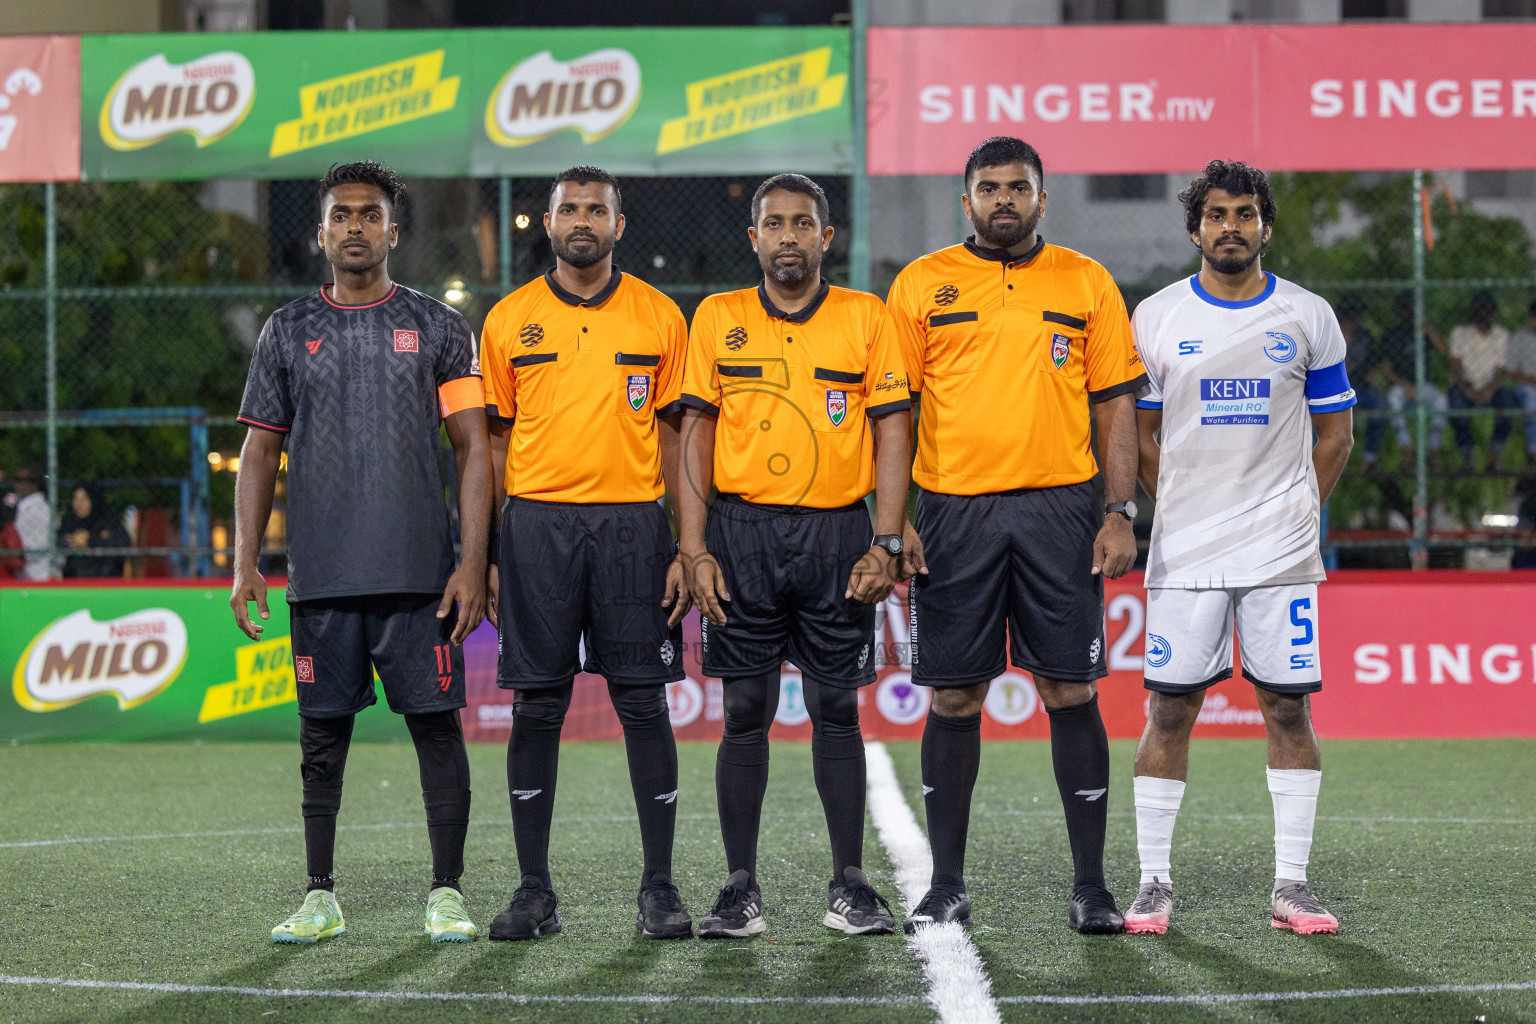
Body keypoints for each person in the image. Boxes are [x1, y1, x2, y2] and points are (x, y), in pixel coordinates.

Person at [886, 136, 1145, 935]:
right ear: (966, 200)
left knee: (1070, 689)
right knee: (956, 694)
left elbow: (1115, 406)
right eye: (990, 187)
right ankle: (947, 883)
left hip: (1061, 512)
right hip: (954, 513)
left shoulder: (1086, 280)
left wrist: (1119, 510)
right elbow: (895, 411)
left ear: (1042, 198)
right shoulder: (921, 284)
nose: (1004, 199)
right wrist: (892, 523)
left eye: (1019, 187)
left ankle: (1092, 887)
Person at [230, 161, 492, 945]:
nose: (354, 227)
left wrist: (472, 563)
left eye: (369, 215)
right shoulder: (285, 331)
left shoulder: (441, 329)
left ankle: (446, 894)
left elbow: (474, 449)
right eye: (340, 215)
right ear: (320, 232)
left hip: (420, 581)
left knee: (438, 733)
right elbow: (258, 453)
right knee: (322, 742)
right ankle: (319, 896)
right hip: (321, 579)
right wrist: (247, 561)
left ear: (392, 231)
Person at [1124, 160, 1355, 937]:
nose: (1232, 227)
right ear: (1195, 229)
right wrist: (1183, 507)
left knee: (1288, 707)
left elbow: (1336, 432)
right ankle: (1153, 882)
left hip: (1280, 552)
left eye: (1246, 214)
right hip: (1186, 549)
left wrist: (1292, 511)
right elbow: (1141, 436)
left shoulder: (1307, 314)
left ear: (1265, 225)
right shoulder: (1154, 316)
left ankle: (1292, 886)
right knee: (1169, 706)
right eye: (1217, 214)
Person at [679, 173, 911, 939]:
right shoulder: (716, 318)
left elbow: (891, 431)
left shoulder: (865, 318)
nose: (787, 236)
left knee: (834, 709)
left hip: (836, 537)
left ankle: (849, 884)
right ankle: (739, 887)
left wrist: (885, 537)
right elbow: (695, 438)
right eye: (773, 224)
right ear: (754, 238)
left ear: (825, 237)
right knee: (743, 711)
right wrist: (694, 544)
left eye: (802, 224)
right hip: (740, 535)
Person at [478, 165, 695, 942]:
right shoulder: (508, 319)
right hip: (537, 528)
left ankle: (659, 889)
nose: (581, 219)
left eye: (595, 209)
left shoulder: (661, 316)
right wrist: (495, 555)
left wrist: (682, 544)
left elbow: (676, 438)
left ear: (619, 224)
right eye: (568, 208)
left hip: (635, 528)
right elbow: (492, 443)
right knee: (538, 706)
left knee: (643, 702)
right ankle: (534, 891)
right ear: (546, 222)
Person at [1373, 292, 1449, 468]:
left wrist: (1426, 327)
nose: (1408, 313)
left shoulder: (1423, 332)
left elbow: (1444, 350)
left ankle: (1432, 452)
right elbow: (1385, 368)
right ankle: (1406, 448)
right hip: (1401, 386)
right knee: (1392, 398)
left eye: (1411, 309)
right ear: (1397, 312)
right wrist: (1405, 386)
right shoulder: (1391, 335)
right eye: (1404, 309)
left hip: (1424, 385)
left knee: (1441, 401)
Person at [1447, 289, 1518, 472]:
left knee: (1508, 406)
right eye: (1479, 309)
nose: (1483, 313)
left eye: (1487, 309)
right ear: (1472, 311)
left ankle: (1493, 459)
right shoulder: (1460, 332)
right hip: (1466, 384)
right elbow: (1454, 365)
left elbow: (1502, 370)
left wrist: (1490, 390)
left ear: (1493, 311)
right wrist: (1466, 388)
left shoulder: (1501, 334)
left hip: (1491, 385)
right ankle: (1467, 459)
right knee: (1456, 407)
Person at [58, 485, 129, 578]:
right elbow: (58, 540)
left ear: (93, 500)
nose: (79, 504)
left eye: (84, 499)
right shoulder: (69, 520)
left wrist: (89, 539)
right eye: (76, 499)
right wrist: (70, 541)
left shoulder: (108, 519)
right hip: (75, 579)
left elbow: (123, 542)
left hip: (105, 578)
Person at [1504, 298, 1536, 467]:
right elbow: (1510, 370)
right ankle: (1533, 451)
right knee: (1531, 400)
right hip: (1527, 386)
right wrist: (1530, 380)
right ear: (1531, 318)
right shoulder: (1519, 337)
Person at [10, 467, 53, 581]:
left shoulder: (38, 509)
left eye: (21, 480)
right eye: (16, 480)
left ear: (34, 484)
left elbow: (39, 545)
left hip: (38, 574)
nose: (16, 484)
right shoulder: (25, 507)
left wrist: (14, 552)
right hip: (28, 573)